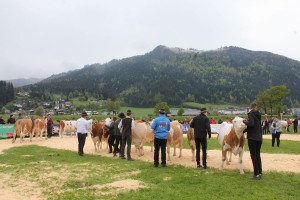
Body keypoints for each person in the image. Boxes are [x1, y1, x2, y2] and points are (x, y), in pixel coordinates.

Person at [243, 103, 263, 180]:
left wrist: (244, 121)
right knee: (258, 155)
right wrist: (243, 131)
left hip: (252, 138)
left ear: (251, 107)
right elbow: (254, 125)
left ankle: (256, 174)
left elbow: (251, 124)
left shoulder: (251, 114)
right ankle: (260, 172)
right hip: (259, 138)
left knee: (253, 156)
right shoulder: (259, 115)